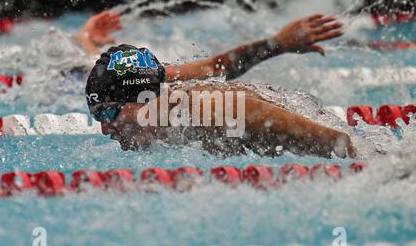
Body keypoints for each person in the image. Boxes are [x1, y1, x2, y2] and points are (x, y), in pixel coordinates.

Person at [82, 11, 356, 158]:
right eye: (98, 116)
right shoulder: (159, 91)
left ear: (143, 99)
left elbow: (340, 144)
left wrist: (371, 163)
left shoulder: (211, 111)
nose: (105, 128)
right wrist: (87, 39)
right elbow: (213, 68)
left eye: (108, 113)